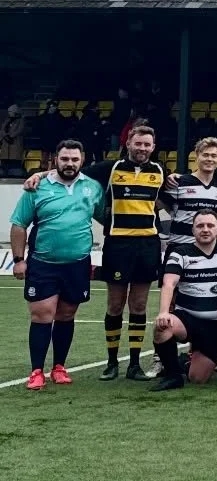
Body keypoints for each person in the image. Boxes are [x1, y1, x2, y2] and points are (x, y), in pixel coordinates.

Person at [10, 137, 102, 389]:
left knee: (66, 314)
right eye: (65, 159)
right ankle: (36, 370)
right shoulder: (36, 188)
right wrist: (18, 260)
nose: (70, 163)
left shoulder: (93, 187)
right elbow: (19, 224)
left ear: (82, 160)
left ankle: (59, 367)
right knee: (42, 314)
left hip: (78, 263)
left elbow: (107, 217)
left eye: (74, 159)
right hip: (43, 262)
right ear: (55, 160)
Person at [91, 121, 171, 380]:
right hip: (117, 243)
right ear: (128, 144)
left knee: (139, 304)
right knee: (115, 304)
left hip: (147, 245)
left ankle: (134, 364)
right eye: (138, 143)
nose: (142, 148)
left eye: (147, 144)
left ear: (153, 147)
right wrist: (40, 175)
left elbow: (173, 199)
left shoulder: (160, 171)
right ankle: (112, 362)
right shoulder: (111, 168)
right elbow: (75, 173)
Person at [152, 206, 217, 391]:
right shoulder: (180, 252)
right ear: (193, 230)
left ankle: (185, 362)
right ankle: (173, 375)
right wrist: (164, 312)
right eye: (200, 226)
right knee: (162, 327)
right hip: (188, 318)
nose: (205, 229)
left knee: (198, 379)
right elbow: (169, 284)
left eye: (209, 225)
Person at [166, 137, 217, 249]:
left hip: (206, 250)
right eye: (205, 155)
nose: (209, 159)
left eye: (214, 156)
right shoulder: (178, 182)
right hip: (179, 247)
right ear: (197, 156)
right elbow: (162, 207)